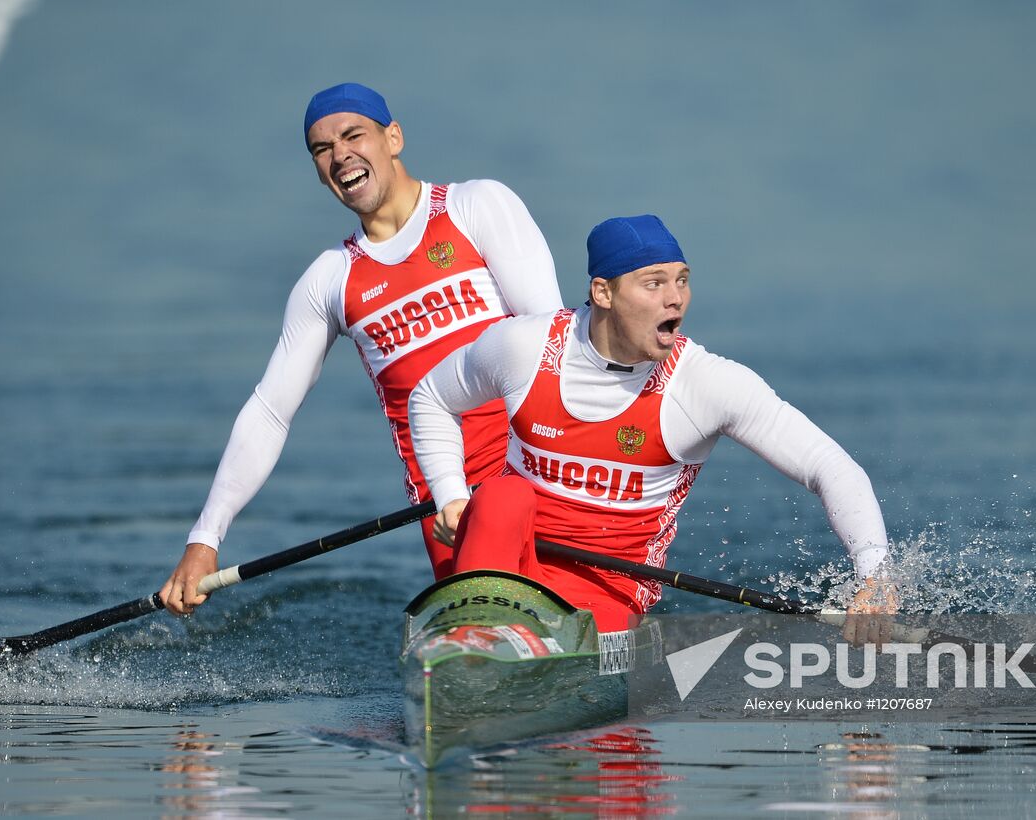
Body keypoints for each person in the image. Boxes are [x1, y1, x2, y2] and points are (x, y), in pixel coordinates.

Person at [159, 83, 562, 615]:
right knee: (491, 628)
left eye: (354, 135)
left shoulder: (475, 206)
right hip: (447, 505)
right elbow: (270, 412)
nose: (340, 155)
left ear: (392, 138)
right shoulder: (330, 280)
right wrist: (203, 541)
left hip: (538, 478)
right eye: (322, 149)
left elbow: (552, 343)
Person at [408, 214, 896, 644]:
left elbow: (831, 467)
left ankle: (482, 649)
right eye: (654, 283)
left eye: (682, 281)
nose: (675, 300)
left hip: (606, 588)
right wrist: (451, 494)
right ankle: (467, 643)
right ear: (603, 292)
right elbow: (429, 396)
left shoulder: (705, 385)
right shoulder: (523, 347)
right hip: (509, 562)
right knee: (497, 497)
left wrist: (874, 577)